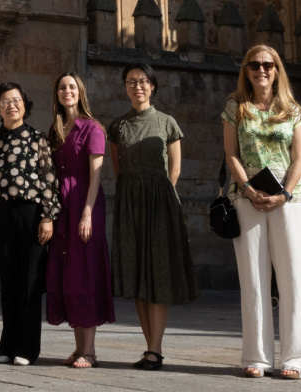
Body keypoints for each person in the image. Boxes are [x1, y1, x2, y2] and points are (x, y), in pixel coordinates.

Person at [223, 46, 301, 379]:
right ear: (246, 71)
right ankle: (257, 356)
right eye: (255, 65)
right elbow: (231, 154)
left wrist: (284, 194)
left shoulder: (292, 109)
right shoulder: (236, 106)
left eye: (268, 64)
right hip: (247, 196)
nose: (261, 69)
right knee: (252, 277)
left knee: (293, 277)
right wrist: (247, 188)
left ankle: (298, 357)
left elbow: (300, 159)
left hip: (290, 200)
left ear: (277, 70)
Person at [108, 63, 198, 371]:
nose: (137, 87)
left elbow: (175, 169)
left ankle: (156, 350)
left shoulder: (167, 122)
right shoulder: (118, 126)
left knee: (157, 274)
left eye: (143, 81)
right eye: (131, 82)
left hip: (160, 204)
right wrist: (132, 195)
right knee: (136, 275)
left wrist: (161, 198)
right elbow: (118, 170)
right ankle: (150, 347)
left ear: (153, 86)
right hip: (129, 204)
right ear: (125, 87)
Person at [0, 81, 57, 366]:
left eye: (16, 100)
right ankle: (7, 345)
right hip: (2, 214)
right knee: (9, 280)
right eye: (5, 101)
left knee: (30, 282)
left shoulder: (37, 138)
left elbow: (48, 180)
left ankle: (26, 348)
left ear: (24, 103)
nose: (11, 105)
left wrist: (48, 216)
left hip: (32, 213)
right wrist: (0, 206)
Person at [45, 72, 112, 367]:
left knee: (85, 270)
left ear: (80, 92)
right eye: (62, 87)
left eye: (71, 87)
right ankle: (77, 347)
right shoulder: (57, 127)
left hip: (86, 200)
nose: (66, 91)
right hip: (63, 204)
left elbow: (96, 174)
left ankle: (90, 350)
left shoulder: (93, 127)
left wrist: (87, 211)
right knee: (68, 272)